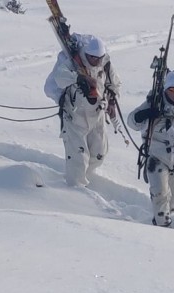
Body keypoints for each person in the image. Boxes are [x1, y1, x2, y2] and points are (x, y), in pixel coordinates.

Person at [44, 34, 121, 187]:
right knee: (78, 158)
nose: (97, 61)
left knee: (99, 154)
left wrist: (112, 100)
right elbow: (59, 78)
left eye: (100, 57)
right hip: (74, 116)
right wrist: (79, 78)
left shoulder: (105, 64)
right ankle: (76, 191)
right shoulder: (72, 63)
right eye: (93, 58)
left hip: (97, 114)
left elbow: (114, 84)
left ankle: (85, 179)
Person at [127, 70, 174, 227]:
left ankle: (168, 218)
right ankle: (161, 226)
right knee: (160, 194)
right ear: (165, 90)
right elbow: (132, 121)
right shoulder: (154, 102)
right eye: (172, 90)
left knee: (173, 198)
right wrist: (144, 115)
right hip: (157, 155)